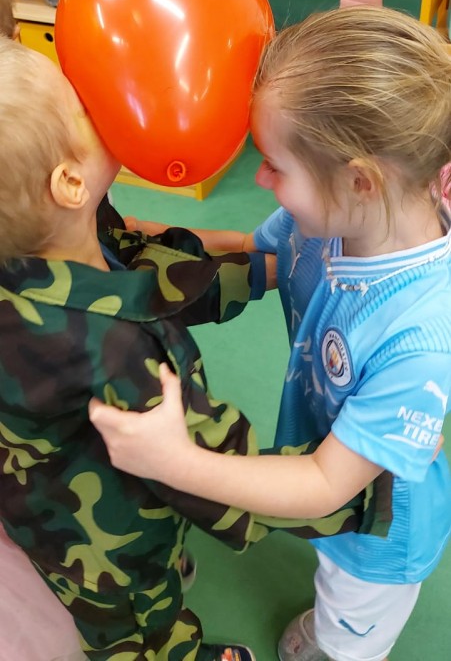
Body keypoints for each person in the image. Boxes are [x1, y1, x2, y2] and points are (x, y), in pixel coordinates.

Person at [0, 37, 388, 661]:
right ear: (69, 181)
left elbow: (143, 266)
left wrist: (261, 269)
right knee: (139, 625)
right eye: (82, 106)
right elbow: (207, 464)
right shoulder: (113, 347)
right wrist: (359, 495)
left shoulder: (48, 237)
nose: (102, 101)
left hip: (36, 487)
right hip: (103, 539)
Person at [89, 5, 451, 661]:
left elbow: (325, 485)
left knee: (346, 618)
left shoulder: (419, 339)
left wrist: (176, 463)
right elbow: (255, 254)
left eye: (274, 165)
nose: (259, 179)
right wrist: (140, 235)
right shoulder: (335, 219)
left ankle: (338, 644)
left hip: (377, 533)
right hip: (328, 463)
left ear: (359, 181)